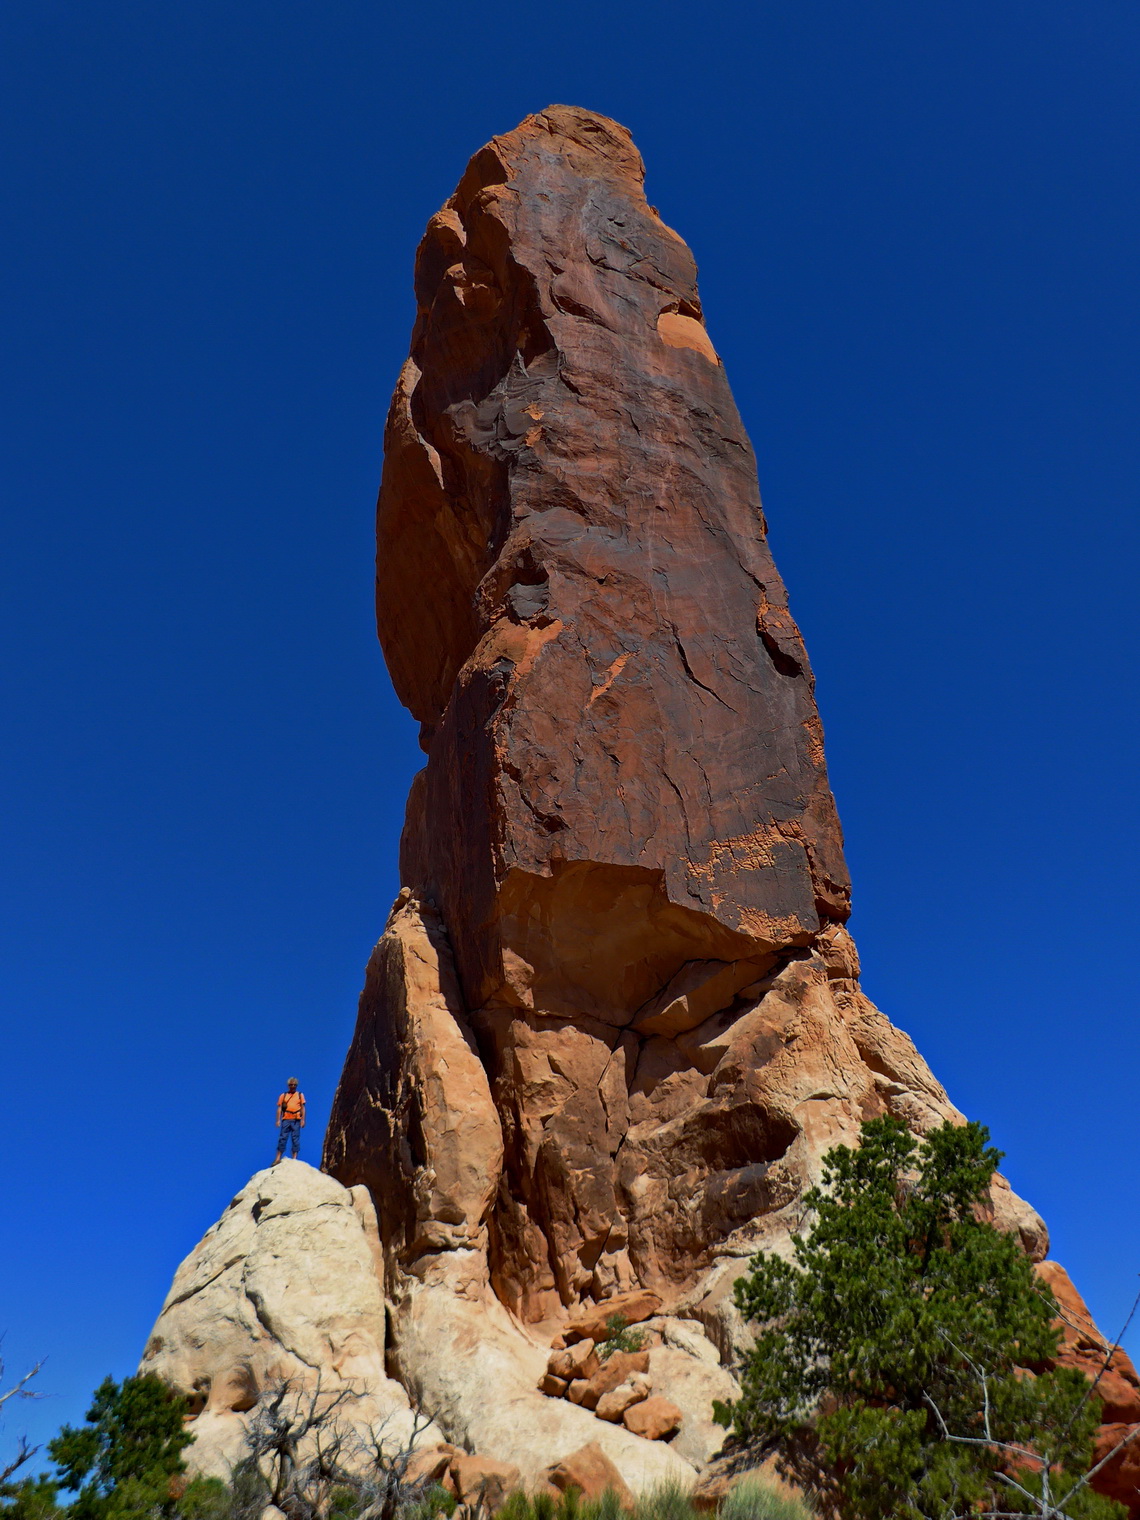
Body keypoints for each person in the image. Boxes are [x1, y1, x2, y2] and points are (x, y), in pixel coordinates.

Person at [274, 1077, 306, 1163]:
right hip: (286, 1119)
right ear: (288, 1086)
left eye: (295, 1085)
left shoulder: (300, 1095)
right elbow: (280, 1108)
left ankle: (294, 1158)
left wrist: (303, 1120)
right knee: (283, 1138)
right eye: (291, 1085)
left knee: (295, 1138)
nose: (293, 1086)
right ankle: (278, 1158)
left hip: (296, 1119)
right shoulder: (283, 1095)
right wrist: (278, 1120)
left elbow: (303, 1108)